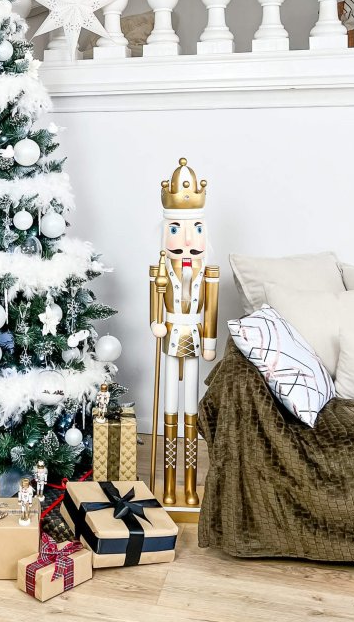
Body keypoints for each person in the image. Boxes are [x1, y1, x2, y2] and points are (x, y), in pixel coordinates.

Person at [151, 158, 219, 507]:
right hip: (170, 338)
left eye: (195, 229)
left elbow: (211, 309)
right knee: (170, 408)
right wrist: (156, 321)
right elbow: (155, 301)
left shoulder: (209, 272)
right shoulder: (161, 269)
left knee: (190, 408)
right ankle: (167, 484)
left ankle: (189, 486)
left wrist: (209, 341)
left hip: (193, 335)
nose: (188, 240)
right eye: (176, 229)